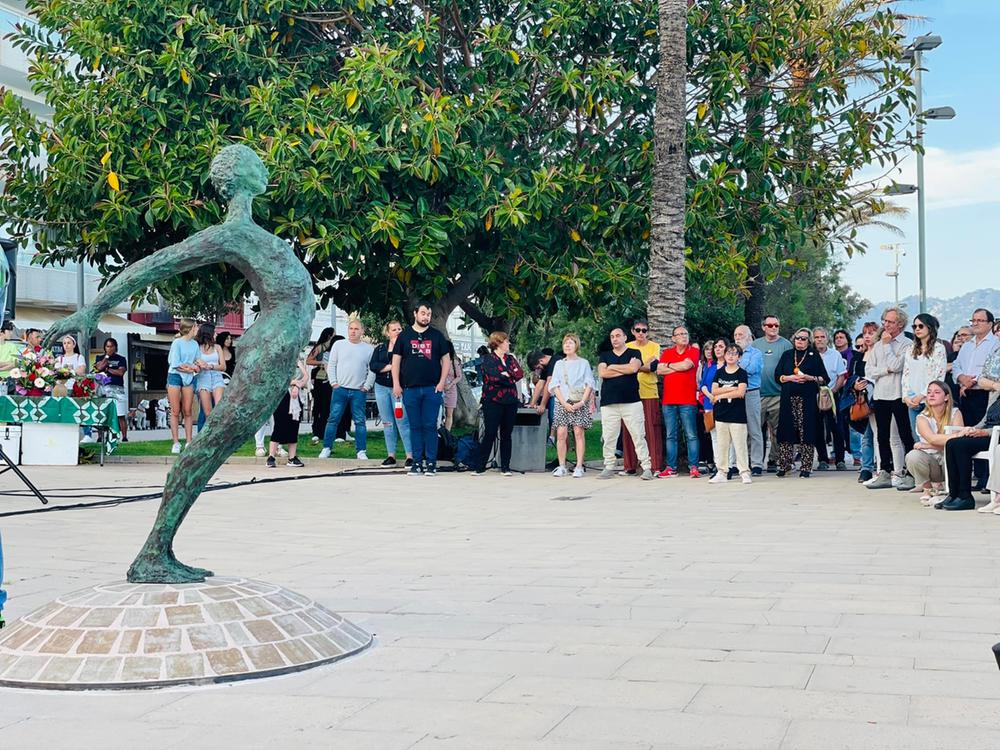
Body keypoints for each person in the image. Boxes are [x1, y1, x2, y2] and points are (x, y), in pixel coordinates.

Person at [937, 345, 1000, 510]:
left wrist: (983, 432)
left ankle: (965, 496)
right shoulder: (995, 393)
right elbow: (986, 418)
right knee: (952, 443)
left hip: (995, 435)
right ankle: (954, 493)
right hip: (986, 431)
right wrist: (971, 428)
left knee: (961, 446)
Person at [392, 302, 450, 476]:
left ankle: (431, 463)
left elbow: (446, 360)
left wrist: (441, 383)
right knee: (415, 426)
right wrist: (396, 383)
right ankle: (417, 462)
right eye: (423, 313)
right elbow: (396, 361)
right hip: (410, 389)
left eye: (429, 314)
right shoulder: (404, 336)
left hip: (432, 389)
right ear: (415, 313)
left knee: (430, 426)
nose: (426, 317)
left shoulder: (436, 336)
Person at [865, 307, 916, 490]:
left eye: (890, 321)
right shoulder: (877, 345)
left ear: (900, 324)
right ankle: (885, 472)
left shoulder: (907, 344)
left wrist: (887, 347)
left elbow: (897, 365)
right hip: (880, 395)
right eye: (884, 320)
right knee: (882, 435)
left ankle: (910, 473)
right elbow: (869, 371)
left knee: (905, 434)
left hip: (899, 395)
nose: (885, 324)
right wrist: (884, 370)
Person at [596, 327, 653, 481]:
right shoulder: (605, 355)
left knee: (638, 435)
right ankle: (608, 466)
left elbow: (634, 368)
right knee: (609, 436)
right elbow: (602, 373)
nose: (615, 339)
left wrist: (613, 367)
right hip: (609, 403)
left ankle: (646, 467)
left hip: (631, 401)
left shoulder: (634, 353)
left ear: (625, 337)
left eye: (618, 336)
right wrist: (625, 369)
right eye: (612, 336)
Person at [952, 309, 999, 491]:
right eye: (973, 320)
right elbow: (957, 365)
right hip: (966, 394)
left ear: (989, 323)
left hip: (985, 394)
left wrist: (971, 381)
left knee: (986, 433)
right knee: (971, 430)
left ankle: (988, 480)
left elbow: (991, 369)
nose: (976, 323)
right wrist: (961, 378)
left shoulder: (995, 344)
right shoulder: (967, 345)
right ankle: (979, 477)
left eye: (980, 320)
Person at [319, 319, 375, 460]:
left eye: (356, 329)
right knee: (333, 419)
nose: (353, 331)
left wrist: (366, 386)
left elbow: (372, 370)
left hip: (358, 391)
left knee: (360, 421)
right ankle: (326, 448)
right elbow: (331, 365)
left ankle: (361, 451)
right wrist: (334, 383)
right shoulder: (339, 345)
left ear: (362, 331)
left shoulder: (369, 349)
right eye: (351, 328)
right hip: (340, 389)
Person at [774, 328, 827, 477]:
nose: (800, 341)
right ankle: (784, 465)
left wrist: (810, 378)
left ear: (809, 341)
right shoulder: (787, 355)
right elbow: (777, 376)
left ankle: (806, 467)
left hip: (807, 400)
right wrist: (789, 378)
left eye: (804, 338)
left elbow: (824, 378)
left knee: (807, 432)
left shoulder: (814, 355)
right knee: (785, 431)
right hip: (788, 398)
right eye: (798, 338)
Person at [904, 380, 963, 504]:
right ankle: (928, 489)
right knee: (912, 456)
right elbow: (933, 438)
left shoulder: (955, 413)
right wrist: (956, 436)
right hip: (932, 463)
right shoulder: (922, 417)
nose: (931, 395)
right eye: (929, 392)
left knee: (954, 452)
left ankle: (952, 490)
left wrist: (926, 445)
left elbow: (959, 443)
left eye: (936, 392)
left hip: (950, 460)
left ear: (946, 397)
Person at [474, 332, 524, 476]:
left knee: (506, 433)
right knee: (490, 432)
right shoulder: (488, 359)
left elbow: (519, 374)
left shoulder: (510, 358)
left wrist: (506, 375)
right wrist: (509, 376)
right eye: (506, 341)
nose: (508, 344)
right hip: (493, 400)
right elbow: (493, 377)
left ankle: (506, 466)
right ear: (499, 342)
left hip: (510, 400)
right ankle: (481, 465)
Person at [656, 325, 700, 478]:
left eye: (685, 333)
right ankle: (671, 468)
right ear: (673, 338)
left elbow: (687, 365)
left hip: (687, 401)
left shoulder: (694, 351)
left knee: (691, 435)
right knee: (671, 435)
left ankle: (693, 466)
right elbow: (659, 370)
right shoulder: (667, 352)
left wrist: (669, 366)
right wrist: (676, 366)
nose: (683, 336)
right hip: (669, 401)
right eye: (679, 334)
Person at [549, 333, 595, 478]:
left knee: (578, 433)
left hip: (578, 402)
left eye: (571, 343)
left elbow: (589, 383)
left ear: (576, 345)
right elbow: (554, 385)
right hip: (562, 402)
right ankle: (562, 465)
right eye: (565, 343)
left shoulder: (584, 363)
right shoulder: (559, 364)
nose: (567, 345)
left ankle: (579, 465)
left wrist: (582, 402)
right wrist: (563, 402)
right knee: (561, 434)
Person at [369, 320, 413, 467]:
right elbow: (374, 365)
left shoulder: (407, 349)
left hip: (399, 388)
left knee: (403, 421)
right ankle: (391, 455)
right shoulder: (380, 348)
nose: (397, 332)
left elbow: (407, 368)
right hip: (381, 387)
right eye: (394, 330)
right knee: (388, 423)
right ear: (387, 333)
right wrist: (390, 366)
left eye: (399, 329)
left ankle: (410, 455)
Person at [622, 319, 663, 474]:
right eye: (638, 330)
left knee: (651, 429)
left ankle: (655, 466)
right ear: (633, 331)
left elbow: (653, 367)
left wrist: (634, 367)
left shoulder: (655, 346)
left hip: (649, 392)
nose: (641, 333)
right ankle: (630, 466)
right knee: (629, 429)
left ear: (648, 332)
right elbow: (625, 367)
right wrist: (640, 366)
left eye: (644, 330)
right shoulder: (628, 347)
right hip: (629, 392)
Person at [752, 315, 792, 471]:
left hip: (778, 394)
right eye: (770, 325)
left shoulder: (786, 345)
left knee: (778, 430)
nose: (773, 328)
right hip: (758, 394)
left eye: (776, 325)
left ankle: (774, 460)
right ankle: (755, 461)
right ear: (763, 327)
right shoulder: (755, 345)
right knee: (755, 430)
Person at [708, 343, 752, 484]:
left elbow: (741, 392)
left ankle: (744, 472)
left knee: (740, 445)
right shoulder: (719, 372)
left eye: (734, 354)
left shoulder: (742, 373)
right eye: (728, 353)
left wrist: (721, 395)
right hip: (721, 414)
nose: (731, 356)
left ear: (739, 357)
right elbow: (714, 390)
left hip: (737, 415)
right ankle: (722, 471)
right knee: (722, 445)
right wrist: (731, 388)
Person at [901, 313, 947, 436]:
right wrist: (906, 396)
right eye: (914, 326)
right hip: (912, 400)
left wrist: (922, 395)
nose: (917, 329)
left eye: (921, 326)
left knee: (933, 436)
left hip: (931, 400)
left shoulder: (939, 348)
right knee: (916, 437)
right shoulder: (910, 349)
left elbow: (939, 376)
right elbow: (906, 373)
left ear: (929, 327)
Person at [812, 327, 847, 471]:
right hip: (815, 395)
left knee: (837, 428)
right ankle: (822, 460)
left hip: (833, 394)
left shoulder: (835, 355)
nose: (820, 340)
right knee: (818, 428)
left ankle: (840, 460)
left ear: (827, 339)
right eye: (817, 337)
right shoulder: (810, 355)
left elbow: (841, 375)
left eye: (822, 337)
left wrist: (833, 391)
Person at [266, 358, 308, 468]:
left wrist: (298, 385)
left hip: (296, 397)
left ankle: (292, 457)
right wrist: (293, 382)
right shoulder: (280, 361)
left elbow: (305, 377)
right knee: (279, 425)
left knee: (294, 426)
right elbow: (276, 379)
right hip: (283, 396)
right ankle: (271, 456)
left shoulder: (298, 361)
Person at [734, 325, 765, 475]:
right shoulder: (731, 352)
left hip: (751, 393)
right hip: (734, 394)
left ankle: (757, 463)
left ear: (749, 337)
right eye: (735, 335)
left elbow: (751, 369)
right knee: (737, 430)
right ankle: (739, 463)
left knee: (754, 429)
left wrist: (736, 363)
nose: (737, 337)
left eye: (740, 335)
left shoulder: (756, 353)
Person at [167, 319, 200, 454]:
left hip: (189, 377)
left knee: (187, 410)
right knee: (175, 410)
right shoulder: (177, 343)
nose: (197, 329)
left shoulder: (195, 344)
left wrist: (194, 368)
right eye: (196, 326)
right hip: (175, 376)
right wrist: (189, 368)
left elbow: (197, 362)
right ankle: (175, 442)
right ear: (191, 328)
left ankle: (188, 441)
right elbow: (175, 363)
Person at [93, 337, 129, 441]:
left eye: (112, 346)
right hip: (103, 387)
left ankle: (124, 436)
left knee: (120, 414)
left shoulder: (121, 359)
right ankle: (100, 436)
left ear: (115, 347)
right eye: (107, 346)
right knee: (101, 412)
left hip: (117, 388)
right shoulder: (100, 357)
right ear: (105, 347)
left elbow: (120, 372)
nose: (110, 348)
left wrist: (108, 369)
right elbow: (99, 368)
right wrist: (107, 357)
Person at [306, 328, 336, 447]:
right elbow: (309, 360)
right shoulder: (320, 347)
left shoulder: (336, 347)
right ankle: (316, 430)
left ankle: (325, 430)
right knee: (318, 406)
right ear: (329, 336)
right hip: (320, 378)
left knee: (328, 407)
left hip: (331, 379)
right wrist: (322, 363)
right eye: (334, 335)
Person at [698, 339, 723, 476]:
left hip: (724, 403)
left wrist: (717, 396)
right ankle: (719, 466)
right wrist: (710, 396)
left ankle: (730, 465)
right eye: (715, 347)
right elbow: (703, 384)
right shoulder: (710, 365)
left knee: (727, 436)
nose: (716, 350)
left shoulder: (728, 365)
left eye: (720, 347)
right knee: (714, 435)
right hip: (709, 404)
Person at [194, 323, 227, 428]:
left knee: (218, 408)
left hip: (216, 377)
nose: (216, 334)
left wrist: (211, 366)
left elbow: (223, 366)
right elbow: (195, 364)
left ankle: (220, 432)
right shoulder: (197, 348)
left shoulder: (217, 348)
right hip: (203, 378)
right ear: (209, 334)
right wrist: (199, 365)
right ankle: (210, 434)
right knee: (207, 412)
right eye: (215, 332)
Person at [442, 341, 463, 431]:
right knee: (439, 414)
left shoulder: (454, 362)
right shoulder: (438, 361)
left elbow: (459, 376)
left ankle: (447, 434)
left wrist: (450, 384)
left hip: (451, 390)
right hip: (440, 390)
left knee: (449, 414)